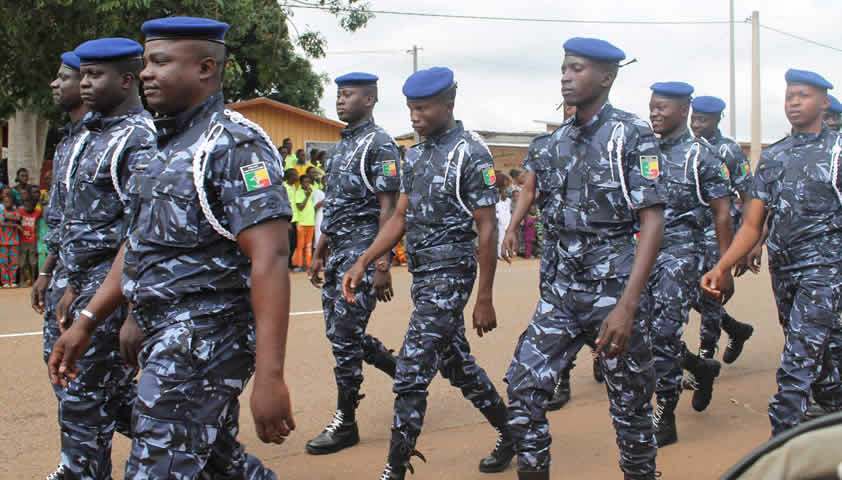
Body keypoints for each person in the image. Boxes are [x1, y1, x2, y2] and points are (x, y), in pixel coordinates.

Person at [49, 16, 295, 478]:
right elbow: (138, 245)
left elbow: (271, 257)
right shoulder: (164, 144)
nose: (145, 73)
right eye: (145, 63)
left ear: (205, 68)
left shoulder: (234, 145)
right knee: (219, 463)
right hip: (163, 331)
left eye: (160, 62)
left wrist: (270, 374)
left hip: (206, 336)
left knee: (155, 465)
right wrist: (88, 320)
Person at [503, 38, 665, 480]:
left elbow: (652, 221)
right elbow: (537, 197)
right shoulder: (554, 142)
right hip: (561, 294)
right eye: (563, 69)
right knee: (523, 390)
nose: (565, 77)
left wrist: (628, 306)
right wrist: (517, 226)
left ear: (606, 77)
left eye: (576, 69)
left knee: (630, 410)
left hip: (613, 292)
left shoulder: (630, 136)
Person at [343, 67, 513, 478]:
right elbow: (400, 216)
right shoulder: (414, 154)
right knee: (456, 365)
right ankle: (513, 432)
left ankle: (395, 468)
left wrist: (484, 297)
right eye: (410, 108)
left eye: (422, 108)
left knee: (412, 372)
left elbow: (486, 225)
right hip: (423, 274)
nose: (415, 116)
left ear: (448, 105)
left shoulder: (470, 152)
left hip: (451, 272)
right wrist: (365, 259)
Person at [702, 69, 842, 436]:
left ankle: (780, 446)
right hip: (786, 271)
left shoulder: (838, 150)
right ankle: (832, 415)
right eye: (789, 96)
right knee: (827, 360)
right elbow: (751, 223)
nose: (794, 102)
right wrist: (723, 266)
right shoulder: (774, 156)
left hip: (826, 272)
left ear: (824, 101)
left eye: (803, 95)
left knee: (797, 364)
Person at [47, 37, 157, 480]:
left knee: (83, 400)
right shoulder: (87, 137)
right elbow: (75, 220)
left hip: (111, 289)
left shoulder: (138, 138)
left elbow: (143, 233)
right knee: (86, 397)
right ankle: (189, 447)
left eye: (95, 75)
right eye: (83, 74)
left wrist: (129, 308)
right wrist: (65, 279)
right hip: (82, 282)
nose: (84, 82)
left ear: (127, 79)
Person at [305, 71, 400, 455]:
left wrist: (381, 265)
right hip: (338, 250)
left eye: (348, 95)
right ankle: (405, 374)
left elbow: (389, 210)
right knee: (341, 335)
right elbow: (336, 205)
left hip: (363, 253)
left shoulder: (380, 145)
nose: (341, 101)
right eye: (339, 94)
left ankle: (346, 422)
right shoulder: (341, 147)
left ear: (370, 99)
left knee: (345, 339)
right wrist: (319, 249)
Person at [31, 51, 91, 479]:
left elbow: (132, 226)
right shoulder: (69, 141)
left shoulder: (129, 138)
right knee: (64, 377)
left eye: (62, 77)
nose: (55, 84)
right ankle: (78, 462)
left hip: (97, 285)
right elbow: (63, 217)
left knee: (93, 387)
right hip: (65, 278)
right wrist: (47, 269)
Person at [686, 95, 755, 377]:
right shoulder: (687, 148)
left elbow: (749, 195)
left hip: (720, 233)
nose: (696, 124)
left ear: (717, 120)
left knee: (712, 293)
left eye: (703, 119)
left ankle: (705, 354)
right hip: (689, 234)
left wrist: (749, 243)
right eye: (694, 118)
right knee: (688, 292)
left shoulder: (729, 151)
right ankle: (735, 329)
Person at [292, 173, 316, 270]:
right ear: (301, 183)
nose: (307, 184)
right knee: (300, 246)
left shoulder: (311, 191)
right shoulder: (299, 192)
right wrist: (307, 196)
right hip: (302, 223)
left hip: (311, 222)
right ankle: (299, 265)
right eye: (305, 182)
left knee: (308, 246)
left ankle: (308, 265)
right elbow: (300, 207)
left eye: (308, 182)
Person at [17, 195, 41, 287]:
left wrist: (39, 200)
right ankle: (21, 281)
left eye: (31, 204)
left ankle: (34, 280)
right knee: (22, 262)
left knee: (33, 262)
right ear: (23, 204)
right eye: (26, 204)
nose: (28, 206)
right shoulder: (20, 211)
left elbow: (41, 209)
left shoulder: (37, 212)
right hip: (22, 240)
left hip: (32, 240)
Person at [0, 189, 20, 287]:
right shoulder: (1, 209)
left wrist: (7, 217)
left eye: (9, 201)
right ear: (3, 202)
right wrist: (15, 225)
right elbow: (1, 222)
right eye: (5, 201)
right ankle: (5, 281)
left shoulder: (16, 209)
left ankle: (13, 280)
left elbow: (18, 218)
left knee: (14, 262)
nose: (8, 203)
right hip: (2, 241)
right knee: (3, 262)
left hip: (14, 240)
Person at [495, 172, 512, 258]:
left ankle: (507, 252)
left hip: (506, 219)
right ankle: (499, 254)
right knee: (500, 238)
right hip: (499, 220)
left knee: (505, 236)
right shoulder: (495, 199)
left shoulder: (508, 200)